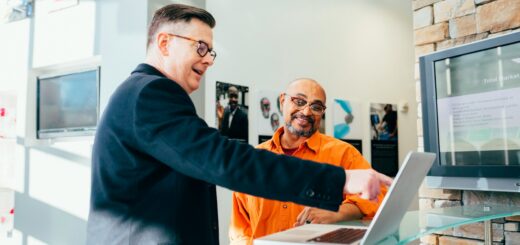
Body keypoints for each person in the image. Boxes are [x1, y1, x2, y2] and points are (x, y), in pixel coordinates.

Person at [87, 4, 392, 245]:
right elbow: (225, 160)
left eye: (211, 51)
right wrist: (339, 181)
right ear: (164, 43)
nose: (208, 60)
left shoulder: (141, 93)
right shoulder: (150, 93)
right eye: (200, 47)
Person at [229, 79, 388, 245]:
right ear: (283, 101)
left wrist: (338, 212)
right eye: (299, 101)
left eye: (316, 107)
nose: (306, 112)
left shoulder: (344, 154)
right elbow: (240, 230)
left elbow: (377, 197)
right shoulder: (254, 160)